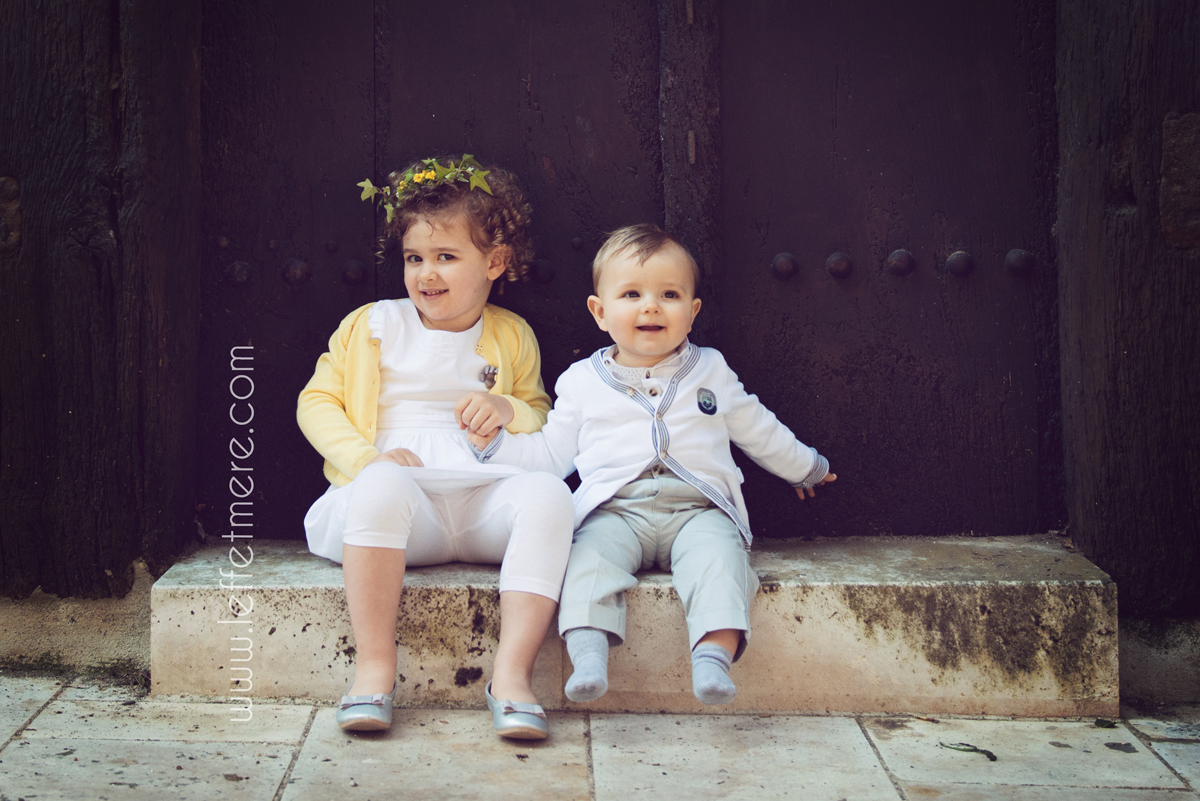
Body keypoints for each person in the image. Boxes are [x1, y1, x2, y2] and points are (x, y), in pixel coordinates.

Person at [469, 224, 837, 706]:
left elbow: (757, 427)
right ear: (600, 312)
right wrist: (495, 446)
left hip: (699, 509)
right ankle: (588, 656)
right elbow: (551, 454)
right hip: (614, 512)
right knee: (584, 562)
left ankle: (713, 658)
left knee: (721, 562)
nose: (651, 306)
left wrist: (805, 467)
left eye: (669, 295)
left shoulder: (711, 369)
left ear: (692, 312)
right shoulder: (581, 381)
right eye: (631, 294)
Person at [297, 156, 572, 738]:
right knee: (382, 485)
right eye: (414, 258)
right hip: (398, 511)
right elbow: (316, 402)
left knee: (550, 495)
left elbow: (541, 415)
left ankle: (512, 677)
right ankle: (374, 670)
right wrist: (368, 461)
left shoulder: (511, 334)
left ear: (494, 262)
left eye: (446, 257)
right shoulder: (372, 326)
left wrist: (507, 409)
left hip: (480, 503)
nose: (427, 273)